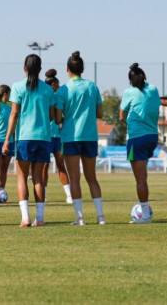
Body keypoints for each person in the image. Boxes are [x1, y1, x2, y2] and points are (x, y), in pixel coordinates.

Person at [53, 51, 104, 225]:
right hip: (90, 136)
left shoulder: (63, 90)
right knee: (92, 178)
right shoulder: (92, 87)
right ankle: (100, 217)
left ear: (67, 69)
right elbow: (100, 113)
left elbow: (58, 119)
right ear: (82, 69)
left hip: (70, 138)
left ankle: (80, 218)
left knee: (74, 178)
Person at [2, 54, 53, 227]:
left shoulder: (17, 87)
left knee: (22, 177)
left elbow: (14, 113)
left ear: (25, 68)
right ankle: (40, 218)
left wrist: (7, 138)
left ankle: (25, 218)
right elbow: (52, 115)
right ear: (40, 69)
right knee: (38, 178)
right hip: (43, 138)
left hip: (24, 138)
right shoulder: (48, 89)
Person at [120, 63, 160, 224]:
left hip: (136, 138)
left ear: (130, 81)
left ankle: (145, 215)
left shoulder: (129, 91)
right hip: (152, 137)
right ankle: (145, 211)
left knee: (140, 180)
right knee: (142, 176)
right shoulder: (153, 89)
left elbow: (121, 114)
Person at [42, 69, 72, 204]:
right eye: (57, 84)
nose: (59, 86)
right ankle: (44, 194)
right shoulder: (45, 95)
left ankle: (69, 195)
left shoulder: (59, 96)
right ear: (52, 84)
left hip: (58, 137)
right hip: (46, 136)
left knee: (61, 165)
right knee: (44, 166)